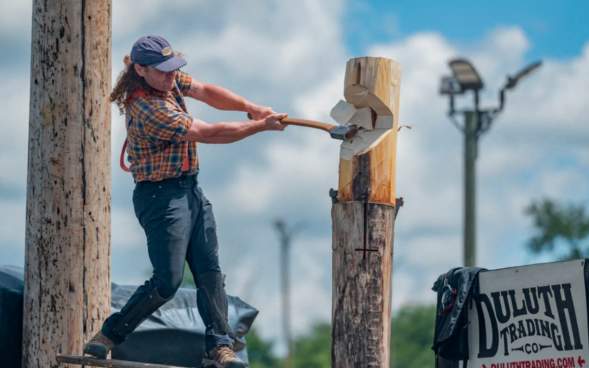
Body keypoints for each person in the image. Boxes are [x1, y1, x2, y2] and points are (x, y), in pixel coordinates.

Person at [83, 35, 286, 368]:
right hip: (160, 197)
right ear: (140, 70)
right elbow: (207, 132)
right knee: (167, 281)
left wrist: (250, 106)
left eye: (173, 69)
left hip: (190, 189)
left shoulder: (168, 82)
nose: (171, 76)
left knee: (210, 271)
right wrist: (260, 127)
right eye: (163, 71)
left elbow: (206, 91)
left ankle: (220, 346)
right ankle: (109, 335)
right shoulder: (147, 107)